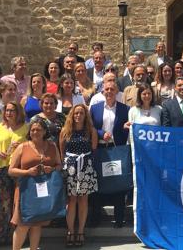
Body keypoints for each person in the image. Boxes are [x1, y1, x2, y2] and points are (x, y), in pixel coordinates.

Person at [8, 118, 61, 250]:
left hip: (44, 190)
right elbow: (11, 170)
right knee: (23, 224)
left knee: (37, 224)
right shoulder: (22, 147)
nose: (35, 132)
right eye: (32, 130)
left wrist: (52, 169)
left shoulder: (52, 146)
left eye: (38, 129)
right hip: (25, 190)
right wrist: (27, 172)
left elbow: (60, 165)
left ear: (44, 131)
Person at [89, 82, 130, 228]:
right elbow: (91, 126)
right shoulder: (95, 108)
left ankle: (119, 219)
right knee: (98, 182)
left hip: (117, 149)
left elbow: (127, 127)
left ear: (117, 91)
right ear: (102, 91)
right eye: (107, 89)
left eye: (112, 89)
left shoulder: (125, 108)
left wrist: (125, 128)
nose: (109, 91)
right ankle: (95, 219)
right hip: (100, 149)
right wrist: (101, 133)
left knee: (118, 183)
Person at [0, 101, 28, 246]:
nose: (9, 113)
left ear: (18, 113)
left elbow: (31, 146)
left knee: (18, 203)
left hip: (19, 169)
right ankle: (2, 233)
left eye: (13, 110)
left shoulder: (26, 128)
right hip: (2, 169)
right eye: (7, 110)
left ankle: (17, 234)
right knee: (4, 203)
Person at [59, 104, 98, 247]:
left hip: (86, 168)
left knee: (83, 200)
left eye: (81, 113)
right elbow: (62, 152)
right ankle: (70, 231)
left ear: (85, 115)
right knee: (71, 201)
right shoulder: (65, 131)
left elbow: (94, 150)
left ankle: (80, 231)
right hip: (70, 168)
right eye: (76, 113)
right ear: (71, 115)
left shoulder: (91, 131)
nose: (78, 115)